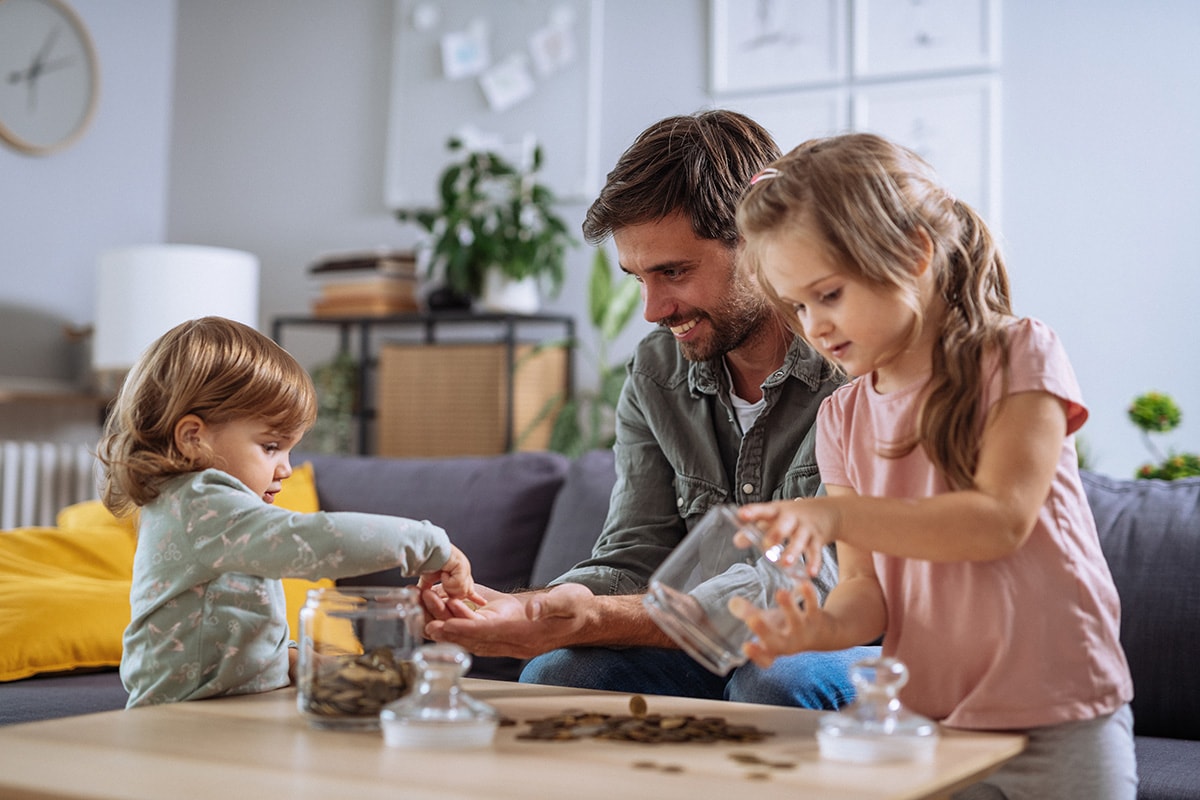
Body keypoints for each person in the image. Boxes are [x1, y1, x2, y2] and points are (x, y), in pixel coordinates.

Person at [424, 110, 877, 709]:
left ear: (761, 243)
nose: (653, 308)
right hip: (704, 642)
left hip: (844, 633)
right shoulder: (657, 371)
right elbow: (635, 553)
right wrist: (533, 607)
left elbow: (816, 585)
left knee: (774, 680)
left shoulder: (856, 367)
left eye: (674, 271)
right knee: (560, 675)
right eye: (638, 277)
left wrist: (594, 620)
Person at [731, 133, 1137, 798]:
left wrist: (835, 513)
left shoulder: (1018, 356)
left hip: (1065, 714)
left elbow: (997, 521)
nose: (815, 326)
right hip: (931, 725)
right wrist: (821, 628)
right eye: (798, 306)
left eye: (829, 293)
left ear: (914, 252)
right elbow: (866, 592)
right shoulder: (841, 419)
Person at [98, 316, 481, 708]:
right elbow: (316, 540)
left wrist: (296, 660)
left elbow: (229, 622)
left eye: (289, 449)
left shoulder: (213, 515)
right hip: (177, 723)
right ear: (194, 438)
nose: (285, 468)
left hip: (228, 712)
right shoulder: (200, 504)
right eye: (270, 447)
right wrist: (429, 544)